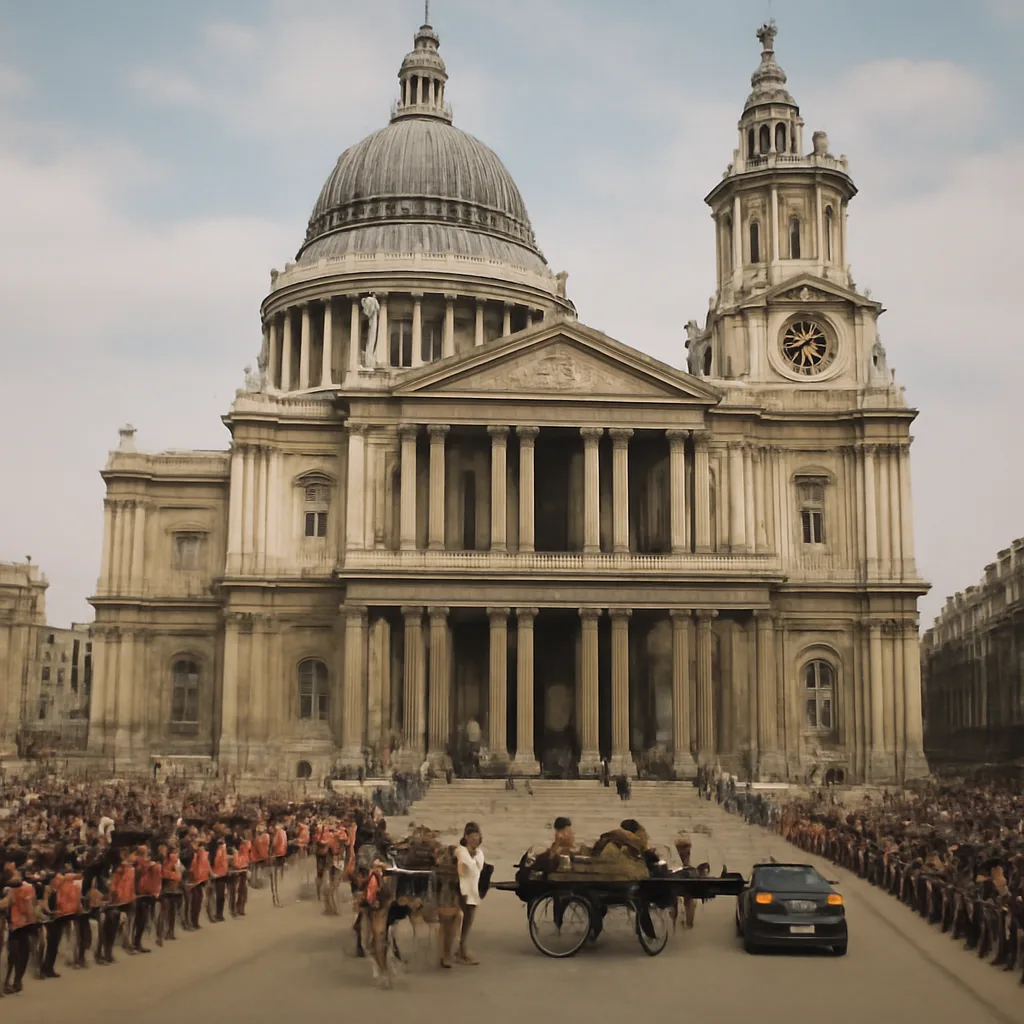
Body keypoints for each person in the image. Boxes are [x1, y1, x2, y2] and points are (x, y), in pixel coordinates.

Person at [454, 822, 484, 966]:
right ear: (466, 837)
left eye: (477, 836)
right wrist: (470, 854)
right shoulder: (460, 850)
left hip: (473, 890)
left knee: (469, 919)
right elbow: (469, 866)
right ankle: (460, 949)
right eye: (472, 836)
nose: (475, 839)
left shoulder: (479, 852)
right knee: (461, 919)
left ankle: (462, 947)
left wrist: (473, 854)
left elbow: (479, 866)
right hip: (462, 889)